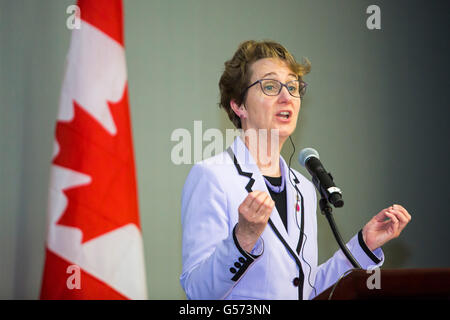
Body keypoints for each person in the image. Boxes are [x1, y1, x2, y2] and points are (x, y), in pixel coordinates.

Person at [180, 40, 411, 300]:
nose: (286, 97)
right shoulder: (213, 177)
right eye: (270, 86)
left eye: (292, 87)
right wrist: (242, 239)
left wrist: (363, 245)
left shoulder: (303, 188)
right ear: (238, 105)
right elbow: (197, 292)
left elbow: (305, 289)